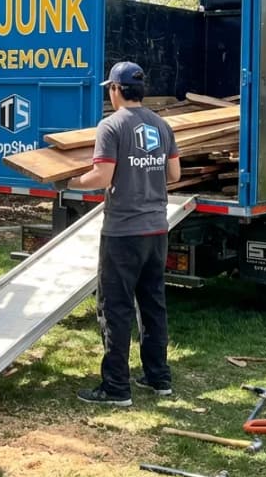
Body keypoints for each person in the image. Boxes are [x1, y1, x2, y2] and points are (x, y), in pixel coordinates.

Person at [62, 61, 181, 406]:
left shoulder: (110, 126)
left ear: (115, 90)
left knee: (114, 308)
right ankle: (159, 378)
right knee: (153, 305)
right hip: (157, 229)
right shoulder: (161, 125)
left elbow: (101, 177)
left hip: (123, 232)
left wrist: (69, 182)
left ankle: (116, 387)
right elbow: (174, 173)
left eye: (109, 89)